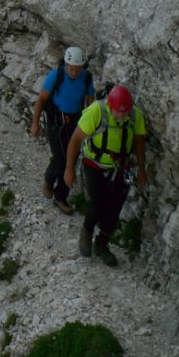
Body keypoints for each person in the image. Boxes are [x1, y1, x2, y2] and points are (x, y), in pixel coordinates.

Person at [64, 84, 147, 266]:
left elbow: (139, 141)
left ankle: (102, 243)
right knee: (98, 203)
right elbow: (76, 140)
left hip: (120, 167)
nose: (122, 116)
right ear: (110, 106)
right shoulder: (96, 111)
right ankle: (86, 233)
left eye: (125, 113)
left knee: (115, 207)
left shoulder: (134, 115)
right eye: (118, 112)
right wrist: (69, 169)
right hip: (94, 164)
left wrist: (141, 168)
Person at [30, 46, 94, 215]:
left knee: (70, 160)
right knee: (60, 157)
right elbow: (42, 99)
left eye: (77, 69)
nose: (73, 72)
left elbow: (90, 102)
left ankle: (61, 197)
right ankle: (49, 180)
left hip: (75, 122)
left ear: (82, 67)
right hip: (56, 122)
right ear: (66, 64)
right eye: (71, 68)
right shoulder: (56, 75)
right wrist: (35, 123)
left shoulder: (86, 79)